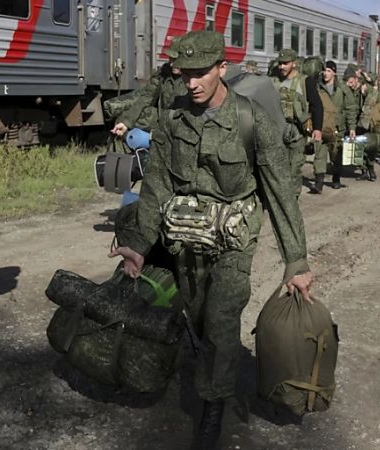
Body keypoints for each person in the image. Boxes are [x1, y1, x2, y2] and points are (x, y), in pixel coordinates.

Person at [109, 30, 313, 449]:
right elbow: (157, 187)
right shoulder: (172, 120)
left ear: (223, 68)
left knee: (221, 320)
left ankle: (212, 405)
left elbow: (280, 193)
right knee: (198, 315)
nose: (193, 83)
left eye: (202, 73)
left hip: (234, 241)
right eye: (186, 75)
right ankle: (210, 367)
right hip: (186, 237)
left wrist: (297, 262)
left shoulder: (251, 120)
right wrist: (139, 245)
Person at [271, 48, 322, 194]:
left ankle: (292, 201)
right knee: (278, 170)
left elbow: (316, 105)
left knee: (294, 168)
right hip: (277, 131)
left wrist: (317, 128)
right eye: (280, 63)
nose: (281, 67)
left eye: (285, 63)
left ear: (294, 63)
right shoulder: (273, 80)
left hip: (297, 132)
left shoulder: (305, 82)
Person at [313, 60, 355, 190]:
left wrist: (352, 127)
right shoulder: (317, 87)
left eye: (329, 71)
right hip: (322, 125)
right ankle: (319, 182)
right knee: (319, 154)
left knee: (336, 155)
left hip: (337, 127)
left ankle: (336, 178)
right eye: (324, 71)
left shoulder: (343, 89)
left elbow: (350, 108)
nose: (325, 74)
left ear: (334, 72)